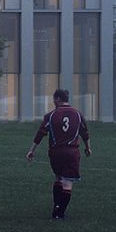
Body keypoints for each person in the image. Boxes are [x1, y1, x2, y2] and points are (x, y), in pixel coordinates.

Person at [26, 88, 92, 220]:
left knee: (58, 178)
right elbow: (85, 133)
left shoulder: (50, 115)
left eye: (54, 99)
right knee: (67, 183)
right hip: (72, 152)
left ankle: (56, 207)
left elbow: (41, 134)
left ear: (57, 99)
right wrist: (88, 148)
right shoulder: (78, 114)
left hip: (55, 153)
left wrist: (32, 150)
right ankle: (60, 213)